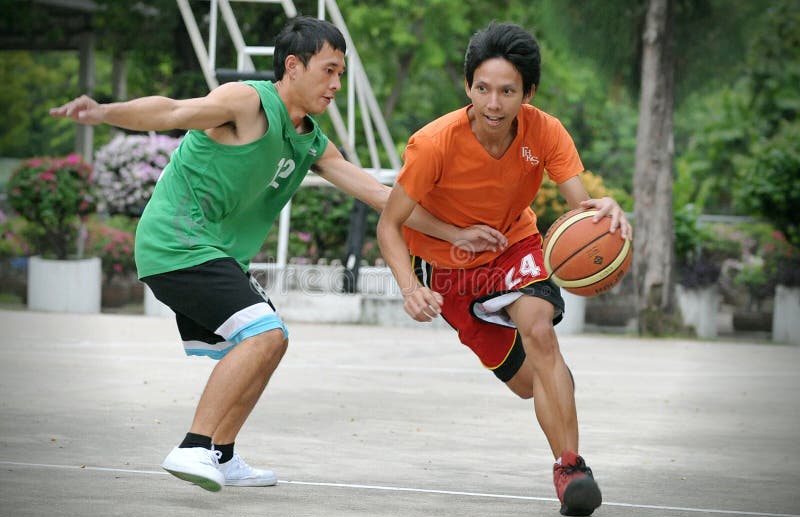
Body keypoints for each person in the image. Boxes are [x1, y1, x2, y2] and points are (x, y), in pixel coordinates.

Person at [50, 16, 506, 492]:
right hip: (177, 242)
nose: (336, 85)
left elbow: (379, 195)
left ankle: (221, 454)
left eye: (341, 74)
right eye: (328, 70)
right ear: (293, 66)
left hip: (215, 255)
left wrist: (455, 232)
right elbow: (171, 111)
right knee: (264, 332)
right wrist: (102, 113)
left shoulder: (311, 140)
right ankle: (192, 445)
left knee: (274, 339)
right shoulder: (247, 103)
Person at [376, 22, 632, 517]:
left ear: (527, 92)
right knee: (530, 383)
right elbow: (390, 224)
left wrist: (606, 212)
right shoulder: (433, 144)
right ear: (468, 87)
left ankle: (571, 467)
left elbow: (582, 209)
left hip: (514, 245)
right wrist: (408, 287)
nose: (493, 103)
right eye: (482, 89)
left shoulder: (546, 131)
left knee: (540, 333)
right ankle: (555, 393)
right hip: (449, 269)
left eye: (507, 91)